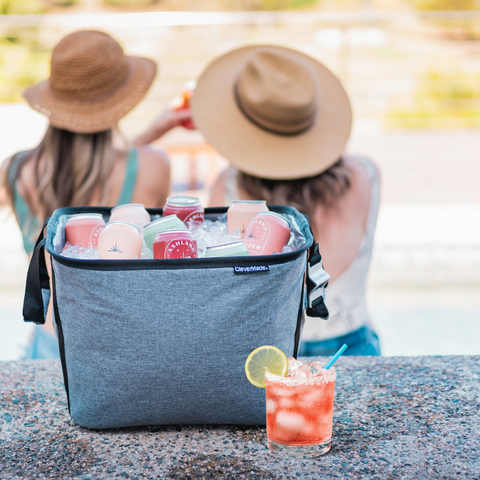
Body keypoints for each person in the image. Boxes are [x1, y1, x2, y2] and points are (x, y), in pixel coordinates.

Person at [1, 30, 192, 359]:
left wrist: (153, 131)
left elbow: (83, 178)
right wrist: (154, 133)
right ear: (120, 100)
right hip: (124, 345)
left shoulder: (15, 169)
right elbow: (116, 176)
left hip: (49, 341)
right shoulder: (152, 165)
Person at [191, 45, 381, 356]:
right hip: (352, 345)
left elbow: (220, 290)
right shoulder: (367, 175)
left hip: (266, 353)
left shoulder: (228, 189)